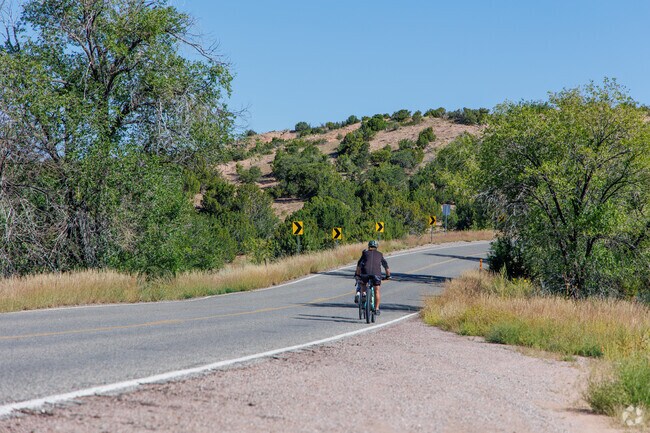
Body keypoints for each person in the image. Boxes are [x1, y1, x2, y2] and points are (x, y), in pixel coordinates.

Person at [354, 240, 390, 315]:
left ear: (368, 246)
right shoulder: (380, 254)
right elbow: (386, 267)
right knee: (377, 291)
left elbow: (359, 265)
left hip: (365, 274)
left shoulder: (365, 253)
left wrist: (357, 275)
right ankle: (377, 309)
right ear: (376, 247)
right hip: (376, 274)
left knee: (363, 284)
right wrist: (387, 276)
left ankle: (363, 293)